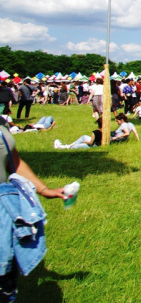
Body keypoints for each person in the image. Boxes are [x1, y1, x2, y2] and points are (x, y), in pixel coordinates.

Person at [0, 119, 66, 300]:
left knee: (6, 278)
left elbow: (14, 162)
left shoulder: (1, 123)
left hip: (5, 210)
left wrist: (44, 190)